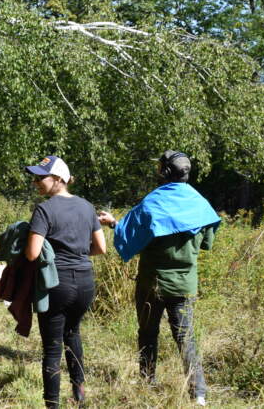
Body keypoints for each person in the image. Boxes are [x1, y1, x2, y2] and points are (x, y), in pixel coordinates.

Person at [98, 150, 220, 406]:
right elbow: (207, 242)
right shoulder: (200, 203)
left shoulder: (153, 203)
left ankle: (147, 380)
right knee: (185, 336)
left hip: (151, 282)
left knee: (147, 332)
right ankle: (198, 392)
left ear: (165, 172)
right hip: (185, 283)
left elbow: (131, 237)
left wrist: (112, 223)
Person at [24, 155, 106, 408]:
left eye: (41, 177)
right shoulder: (86, 206)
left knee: (51, 347)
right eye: (35, 177)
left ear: (58, 179)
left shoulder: (44, 209)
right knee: (73, 333)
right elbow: (100, 248)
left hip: (56, 285)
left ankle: (52, 404)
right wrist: (78, 255)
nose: (36, 182)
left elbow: (32, 253)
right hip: (84, 283)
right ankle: (79, 394)